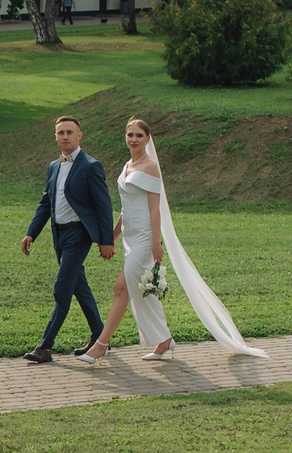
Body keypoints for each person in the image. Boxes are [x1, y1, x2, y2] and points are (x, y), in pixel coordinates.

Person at [80, 115, 270, 365]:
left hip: (146, 237)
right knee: (143, 291)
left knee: (121, 288)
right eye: (130, 134)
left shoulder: (150, 166)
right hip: (130, 237)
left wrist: (156, 242)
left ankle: (100, 345)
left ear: (147, 139)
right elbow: (126, 209)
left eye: (139, 135)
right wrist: (112, 237)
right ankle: (164, 340)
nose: (134, 139)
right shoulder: (127, 165)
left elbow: (154, 209)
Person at [19, 114, 114, 364]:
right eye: (61, 132)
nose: (65, 136)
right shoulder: (54, 166)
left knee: (62, 289)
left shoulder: (91, 166)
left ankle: (45, 347)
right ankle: (100, 337)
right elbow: (45, 203)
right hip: (58, 234)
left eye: (70, 132)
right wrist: (31, 233)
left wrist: (107, 241)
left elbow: (103, 206)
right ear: (56, 136)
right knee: (79, 288)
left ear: (79, 136)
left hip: (79, 235)